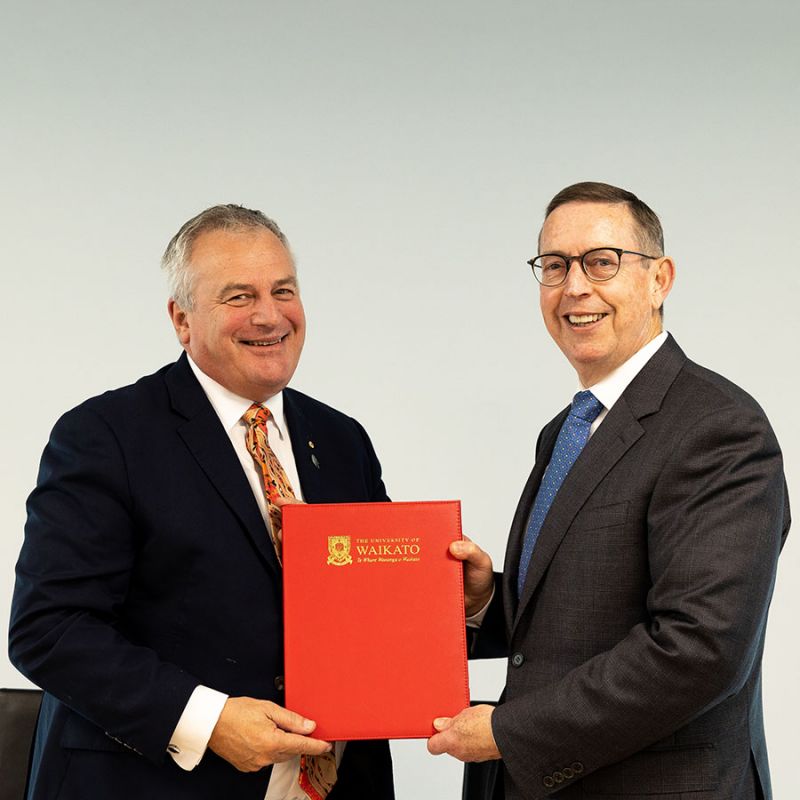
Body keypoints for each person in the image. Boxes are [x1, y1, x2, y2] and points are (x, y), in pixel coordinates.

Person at [9, 205, 395, 799]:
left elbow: (378, 604)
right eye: (239, 296)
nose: (270, 315)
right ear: (181, 319)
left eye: (283, 290)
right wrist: (208, 721)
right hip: (159, 782)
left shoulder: (342, 439)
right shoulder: (106, 435)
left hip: (333, 782)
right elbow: (50, 629)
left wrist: (461, 601)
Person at [429, 182, 790, 799]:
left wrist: (510, 732)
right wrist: (489, 601)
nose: (574, 287)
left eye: (602, 261)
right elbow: (578, 619)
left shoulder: (718, 427)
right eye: (554, 265)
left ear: (660, 279)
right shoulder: (567, 429)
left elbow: (698, 650)